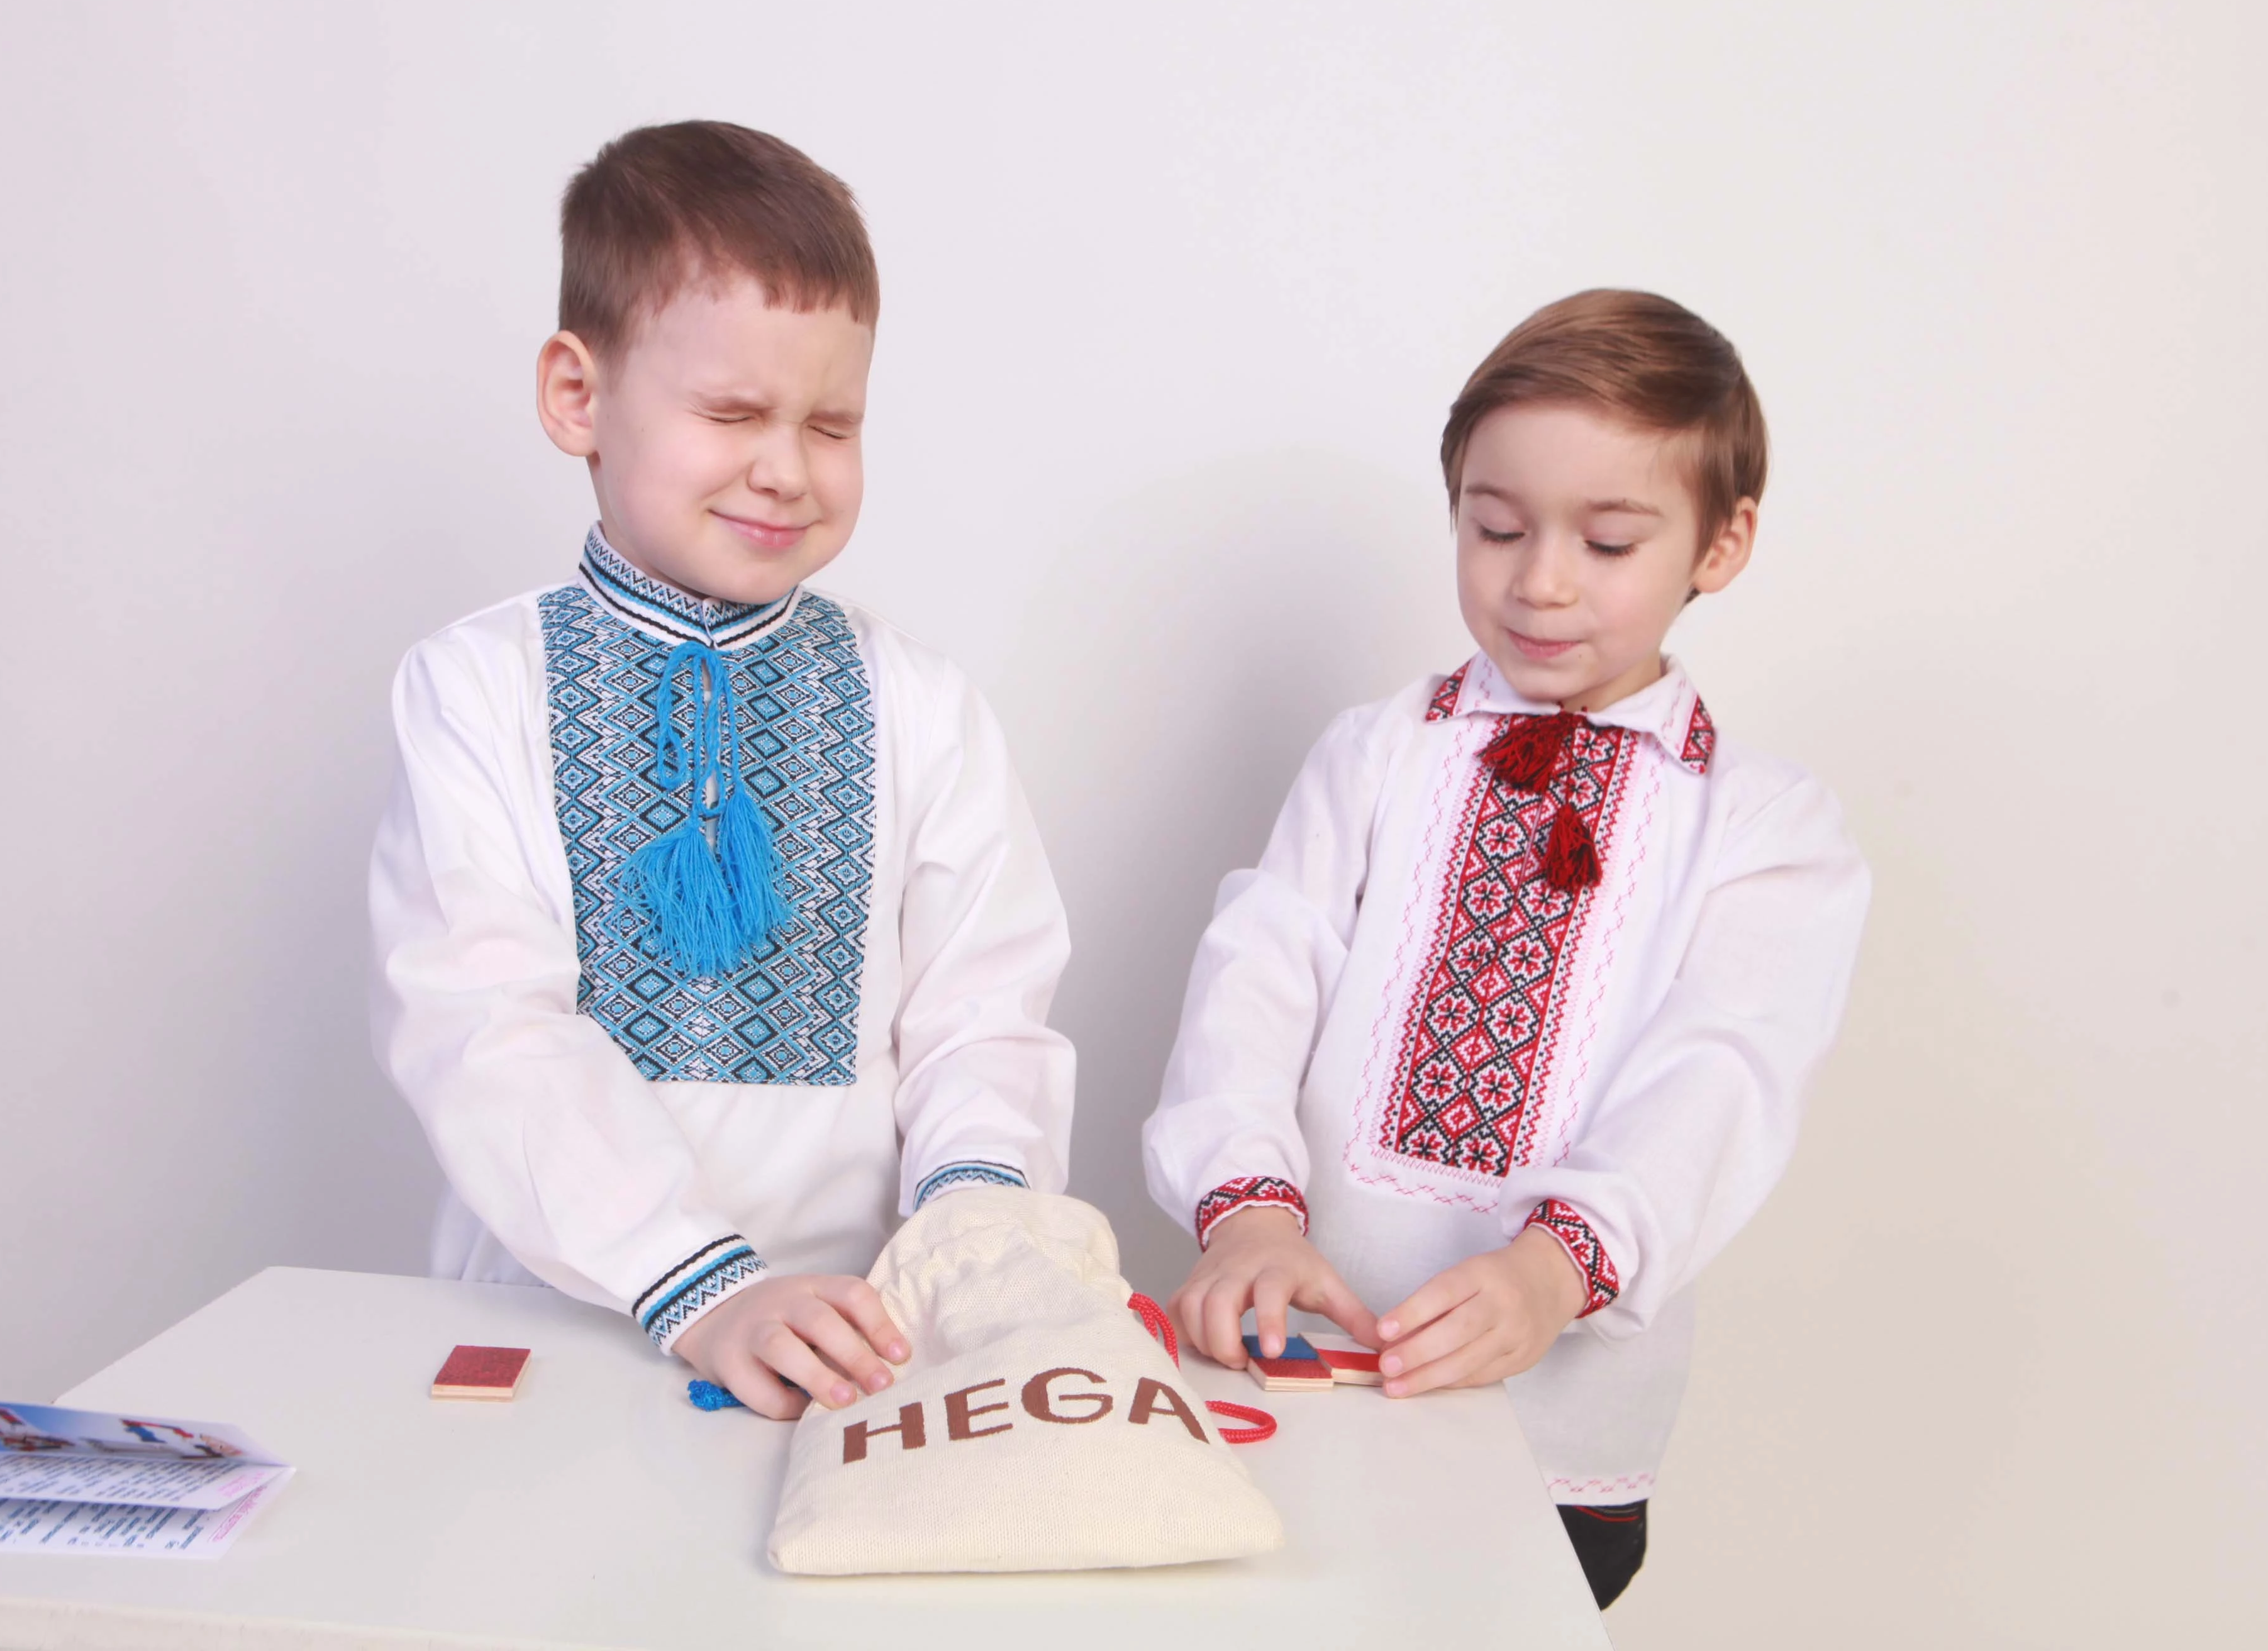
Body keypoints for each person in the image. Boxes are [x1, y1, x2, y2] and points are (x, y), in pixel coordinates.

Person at [1142, 289, 1870, 1607]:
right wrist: (1243, 1211)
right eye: (1496, 527)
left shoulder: (1767, 828)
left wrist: (1553, 1269)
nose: (1540, 579)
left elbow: (1722, 1080)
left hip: (1556, 1440)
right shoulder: (1376, 755)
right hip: (1290, 1365)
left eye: (1608, 540)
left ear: (1722, 542)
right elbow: (1258, 973)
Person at [371, 122, 1074, 1421]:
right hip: (560, 1334)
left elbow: (983, 1018)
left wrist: (967, 1245)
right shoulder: (478, 686)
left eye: (832, 424)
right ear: (578, 396)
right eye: (733, 414)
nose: (786, 468)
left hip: (859, 1352)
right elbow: (486, 1028)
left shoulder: (921, 704)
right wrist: (700, 1286)